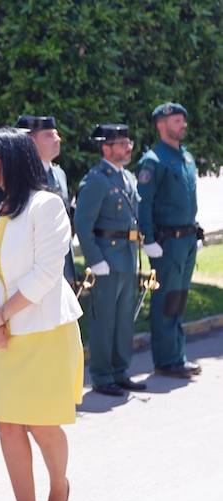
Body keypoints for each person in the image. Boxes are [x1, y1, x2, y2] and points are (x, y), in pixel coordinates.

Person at [0, 127, 82, 501]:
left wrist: (0, 315)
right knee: (9, 425)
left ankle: (60, 486)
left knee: (41, 422)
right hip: (2, 332)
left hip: (44, 330)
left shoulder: (47, 204)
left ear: (12, 160)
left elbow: (45, 274)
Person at [75, 124, 147, 396]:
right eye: (122, 143)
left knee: (123, 319)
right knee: (104, 320)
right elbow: (82, 224)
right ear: (106, 148)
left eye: (128, 142)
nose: (128, 147)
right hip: (107, 258)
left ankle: (121, 370)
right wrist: (95, 259)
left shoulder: (126, 177)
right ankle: (102, 375)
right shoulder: (96, 179)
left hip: (127, 258)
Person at [137, 102, 201, 379]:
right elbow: (144, 204)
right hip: (166, 242)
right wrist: (148, 239)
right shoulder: (153, 160)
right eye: (177, 121)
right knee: (166, 299)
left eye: (183, 121)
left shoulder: (185, 157)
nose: (183, 125)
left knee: (179, 298)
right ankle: (166, 359)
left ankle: (178, 355)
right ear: (161, 125)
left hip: (186, 239)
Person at [16, 115, 75, 284]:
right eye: (49, 135)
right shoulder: (21, 175)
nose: (58, 139)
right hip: (34, 264)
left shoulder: (59, 174)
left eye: (56, 134)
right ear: (31, 142)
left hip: (61, 262)